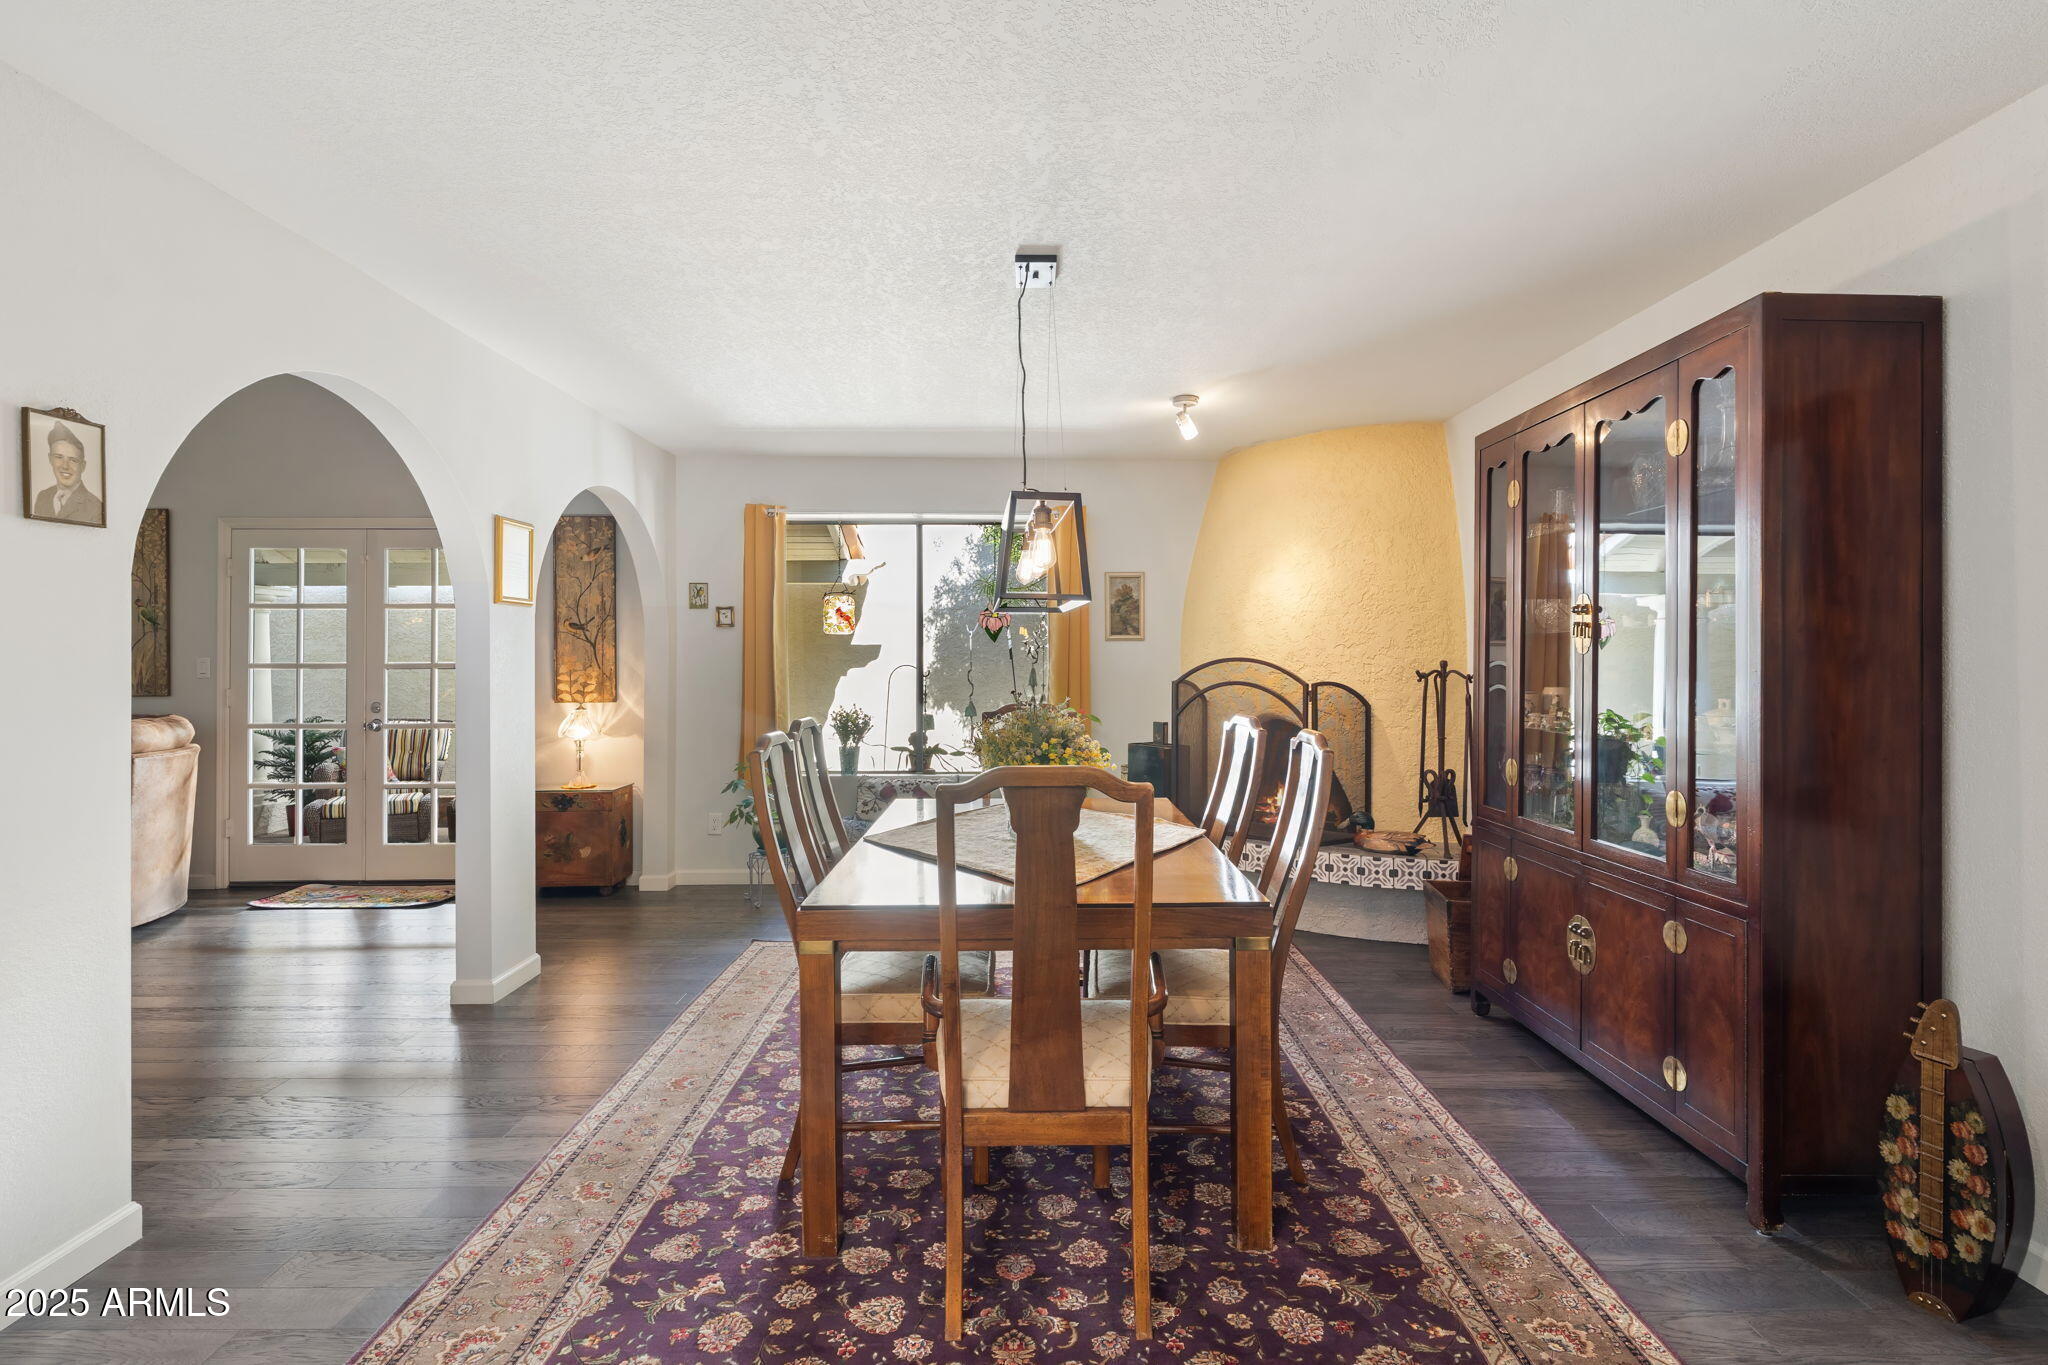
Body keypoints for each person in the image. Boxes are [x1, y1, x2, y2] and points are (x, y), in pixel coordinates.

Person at [32, 421, 102, 524]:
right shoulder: (43, 497)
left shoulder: (95, 507)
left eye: (73, 460)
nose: (65, 466)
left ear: (83, 466)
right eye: (58, 457)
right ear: (50, 459)